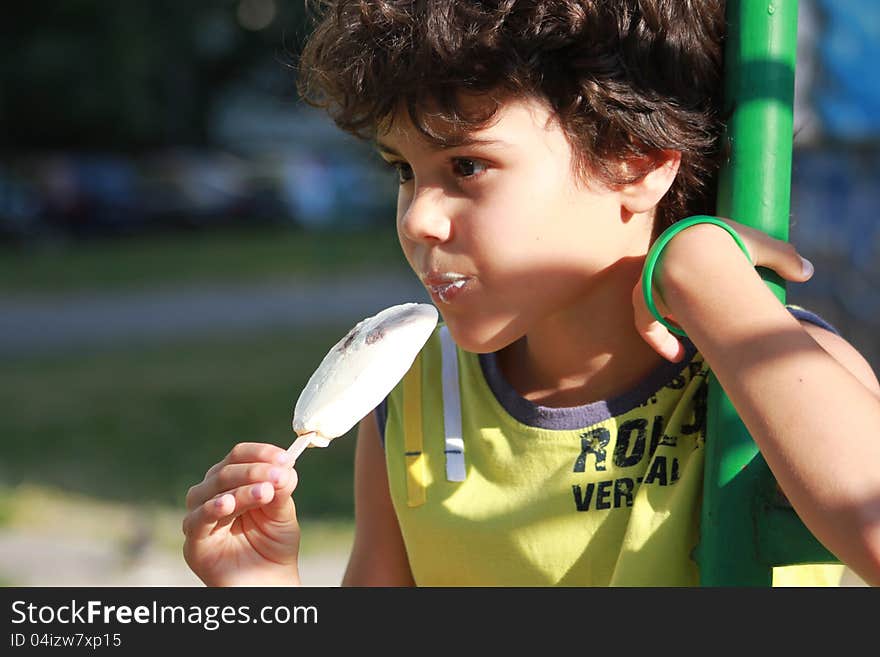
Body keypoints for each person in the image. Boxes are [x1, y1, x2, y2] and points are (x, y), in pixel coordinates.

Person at [182, 0, 880, 586]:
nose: (419, 218)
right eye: (402, 170)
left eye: (467, 165)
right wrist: (263, 592)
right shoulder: (411, 399)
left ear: (634, 162)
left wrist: (708, 274)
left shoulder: (771, 360)